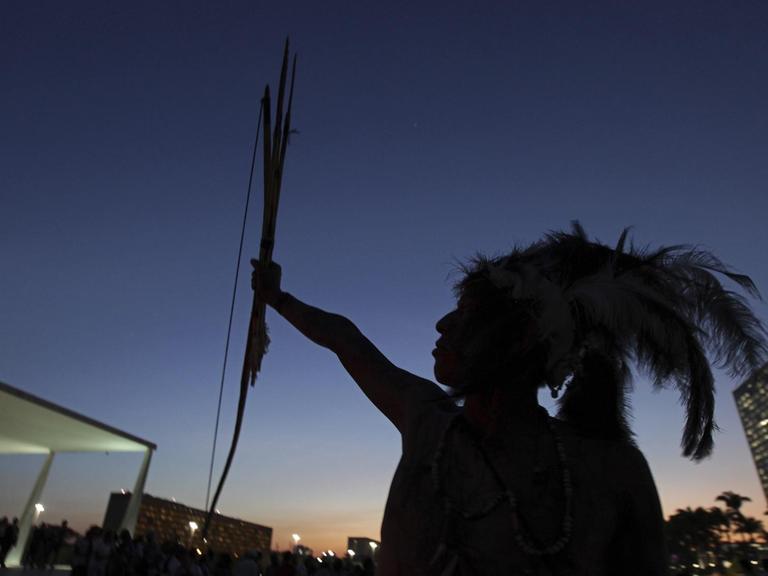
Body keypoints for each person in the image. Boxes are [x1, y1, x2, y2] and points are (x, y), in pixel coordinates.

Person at [251, 223, 767, 575]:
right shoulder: (427, 419)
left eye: (467, 313)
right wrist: (278, 298)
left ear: (521, 338)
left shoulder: (613, 471)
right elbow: (348, 341)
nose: (442, 323)